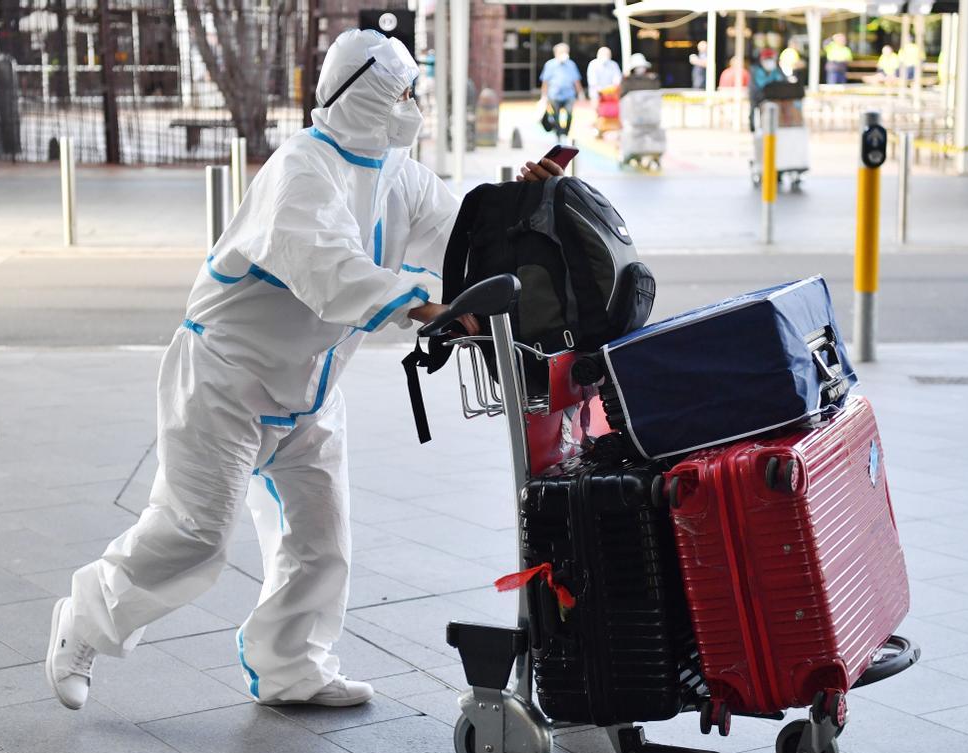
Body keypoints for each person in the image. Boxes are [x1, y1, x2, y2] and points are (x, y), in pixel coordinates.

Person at [44, 29, 564, 713]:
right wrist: (426, 307)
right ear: (369, 96)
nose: (413, 105)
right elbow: (331, 271)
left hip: (311, 389)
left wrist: (525, 204)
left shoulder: (399, 173)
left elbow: (462, 232)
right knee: (193, 534)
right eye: (402, 93)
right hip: (225, 381)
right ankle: (84, 620)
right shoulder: (302, 170)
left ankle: (291, 668)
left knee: (319, 542)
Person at [540, 42, 584, 144]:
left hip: (569, 95)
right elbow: (545, 82)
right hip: (554, 95)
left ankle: (565, 132)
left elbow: (576, 81)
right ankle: (558, 134)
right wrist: (544, 96)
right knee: (556, 116)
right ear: (556, 53)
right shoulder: (550, 65)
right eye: (562, 52)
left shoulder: (571, 65)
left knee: (569, 114)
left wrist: (580, 93)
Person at [749, 48, 786, 130]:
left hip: (776, 100)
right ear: (761, 60)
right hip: (760, 100)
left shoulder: (778, 71)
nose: (769, 61)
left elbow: (783, 83)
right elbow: (760, 87)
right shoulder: (755, 71)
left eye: (771, 59)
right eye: (767, 59)